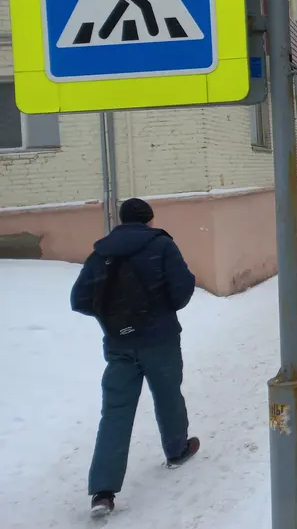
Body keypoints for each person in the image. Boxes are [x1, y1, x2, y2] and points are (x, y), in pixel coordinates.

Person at [71, 197, 199, 517]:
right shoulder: (162, 246)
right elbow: (182, 289)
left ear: (121, 220)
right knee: (168, 397)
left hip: (119, 345)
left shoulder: (101, 252)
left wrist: (115, 318)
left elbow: (80, 299)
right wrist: (157, 309)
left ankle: (103, 492)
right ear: (149, 220)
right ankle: (176, 451)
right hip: (160, 340)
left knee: (115, 412)